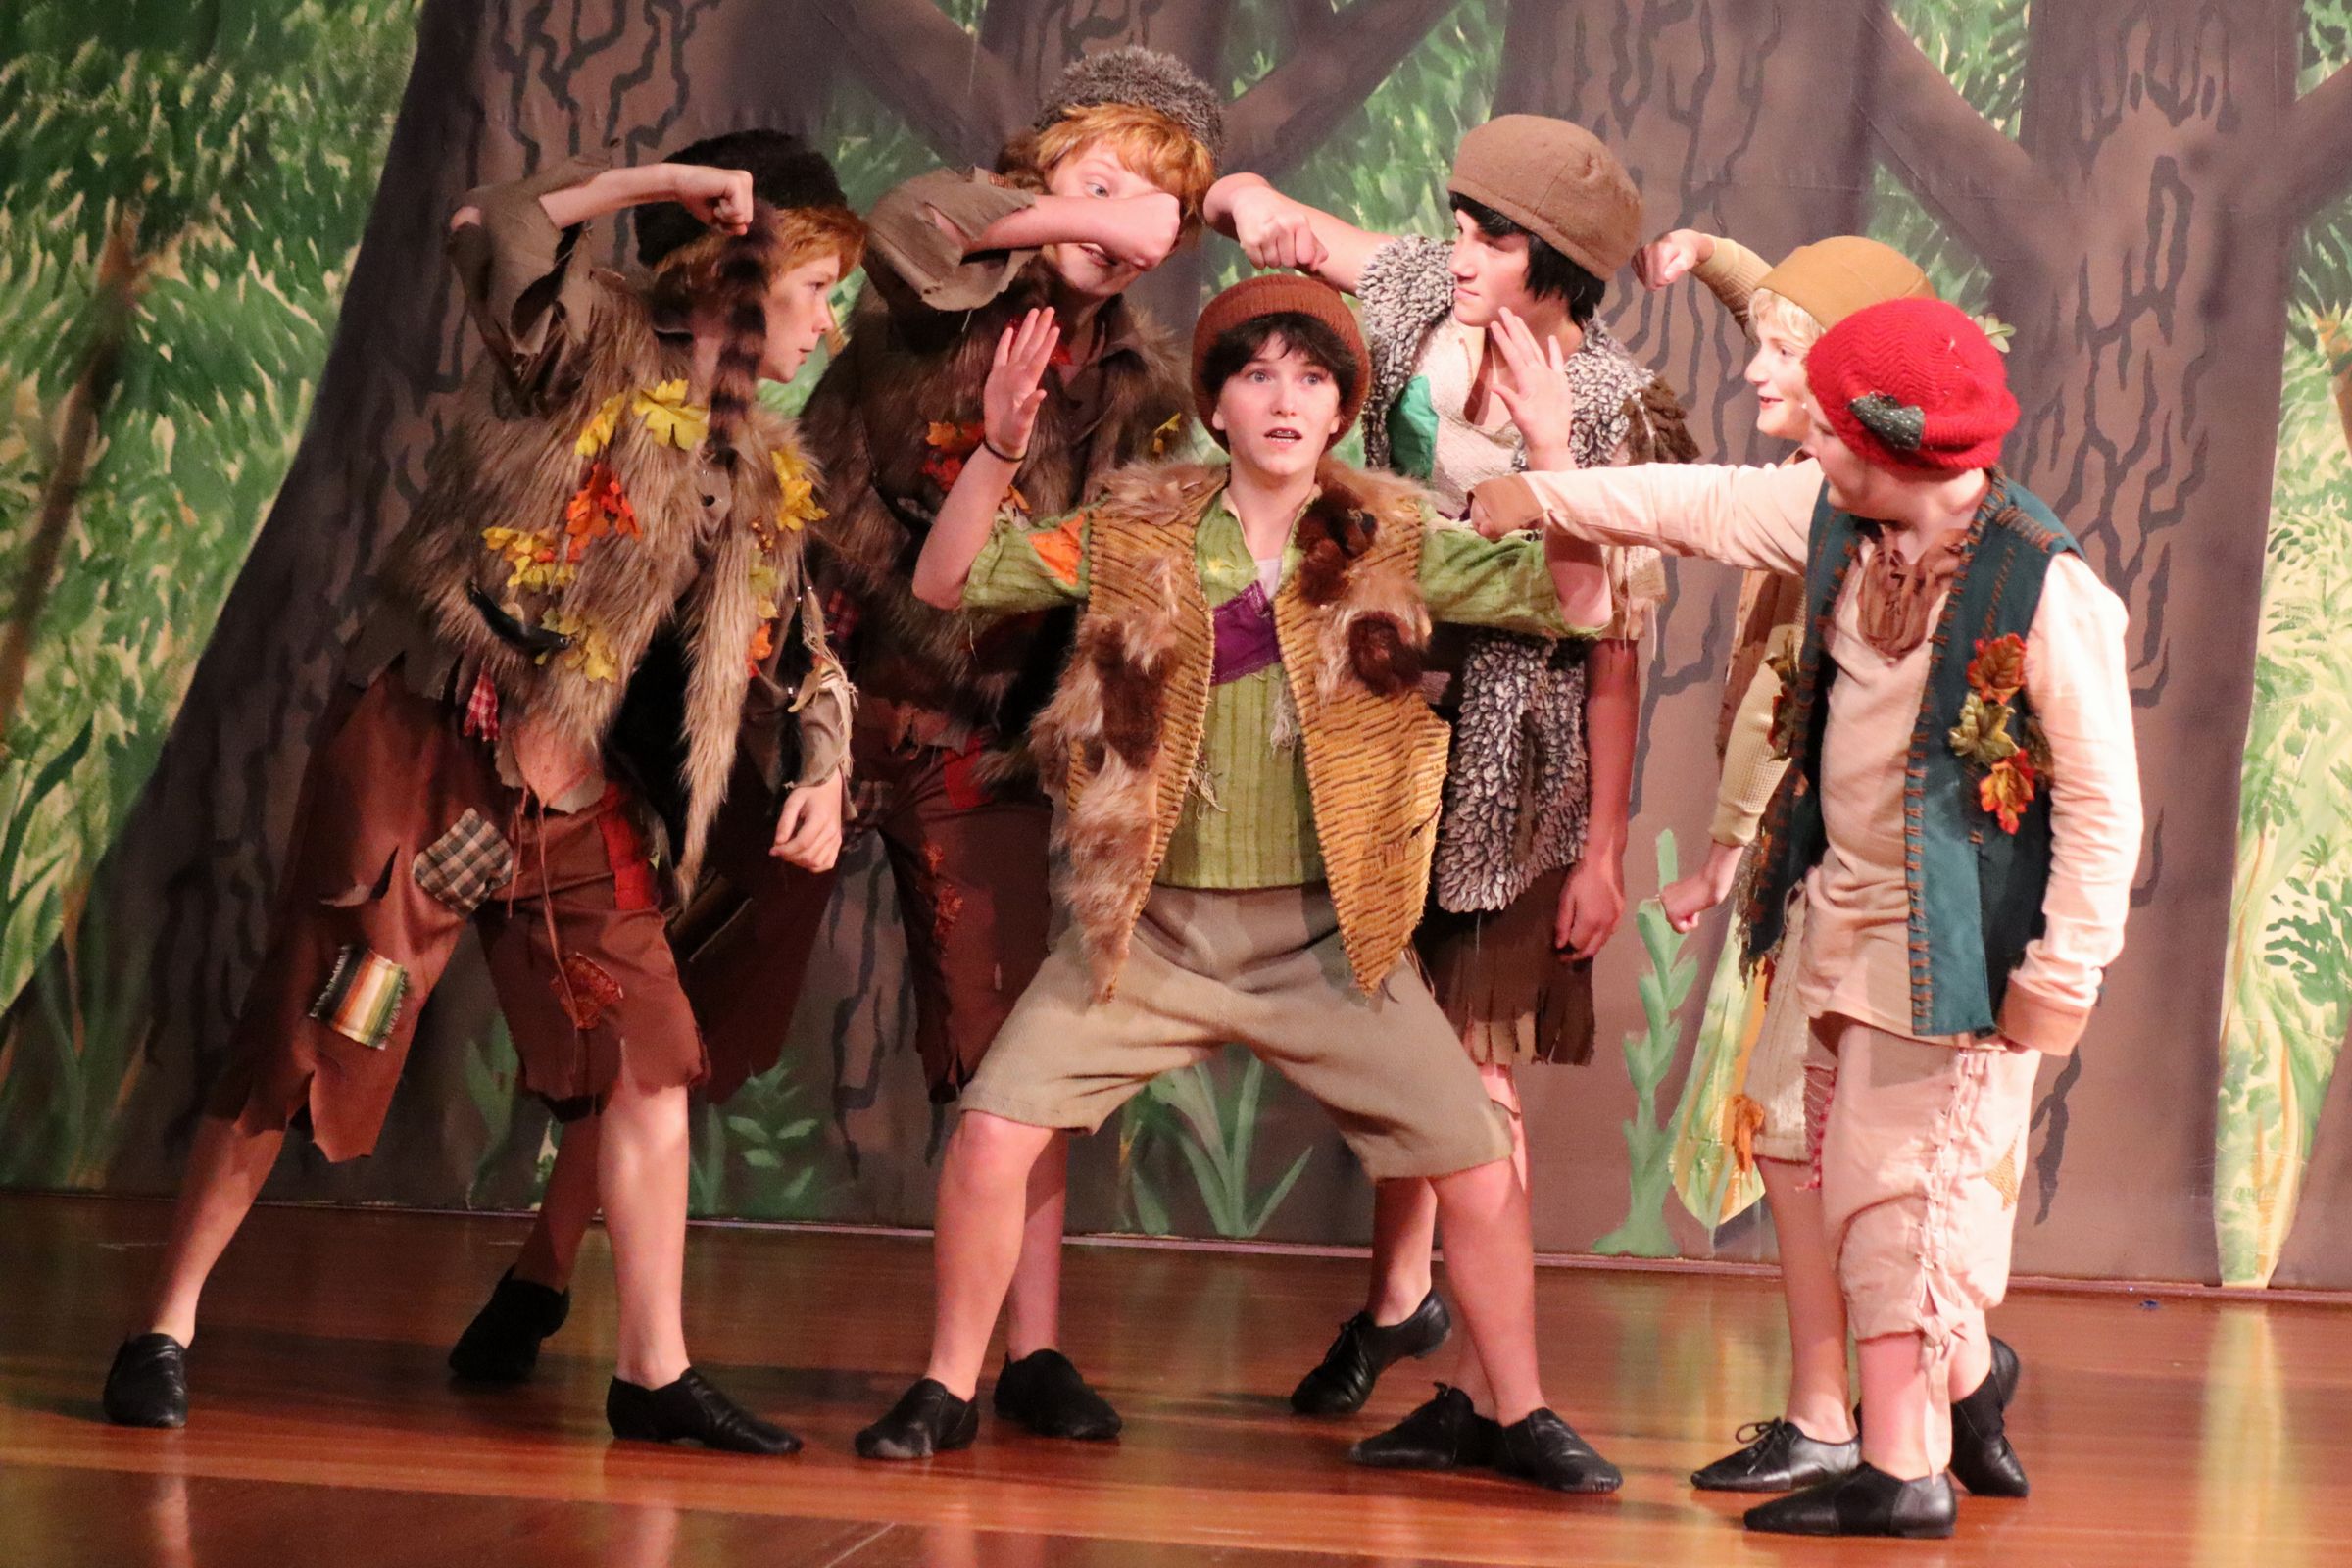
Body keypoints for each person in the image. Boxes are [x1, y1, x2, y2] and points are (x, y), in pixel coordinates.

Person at [451, 51, 1218, 1445]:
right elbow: (923, 224)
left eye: (1150, 210)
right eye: (1098, 189)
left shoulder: (1140, 384)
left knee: (1009, 1042)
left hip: (972, 730)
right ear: (1037, 181)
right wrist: (1078, 215)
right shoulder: (939, 284)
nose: (1119, 229)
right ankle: (544, 1268)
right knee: (683, 1007)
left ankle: (1031, 1349)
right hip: (808, 695)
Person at [100, 132, 860, 1456]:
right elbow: (490, 223)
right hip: (436, 763)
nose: (829, 323)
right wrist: (653, 189)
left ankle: (653, 1372)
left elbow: (799, 652)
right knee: (323, 1021)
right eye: (815, 290)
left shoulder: (755, 467)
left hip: (568, 799)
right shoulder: (577, 349)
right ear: (735, 279)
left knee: (648, 1053)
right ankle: (164, 1325)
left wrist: (827, 761)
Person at [854, 275, 1623, 1494]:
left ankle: (1515, 1409)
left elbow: (1578, 601)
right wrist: (1000, 448)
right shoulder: (1135, 532)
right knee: (995, 1131)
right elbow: (949, 580)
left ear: (1340, 410)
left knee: (1477, 1159)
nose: (1284, 398)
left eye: (1311, 377)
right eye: (1258, 374)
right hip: (1149, 932)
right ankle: (948, 1385)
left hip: (1326, 941)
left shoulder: (1390, 536)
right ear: (1216, 406)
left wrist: (1551, 450)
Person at [1475, 296, 2141, 1536]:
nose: (1810, 447)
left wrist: (2063, 975)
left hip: (1955, 944)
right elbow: (1699, 504)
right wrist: (1542, 493)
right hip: (1841, 914)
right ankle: (1948, 1401)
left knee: (1903, 1194)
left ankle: (1904, 1470)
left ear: (1892, 445)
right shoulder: (1839, 517)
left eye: (1833, 430)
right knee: (1839, 1178)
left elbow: (2106, 804)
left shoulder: (2044, 589)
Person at [1206, 116, 1693, 1460]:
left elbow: (1613, 647)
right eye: (1461, 225)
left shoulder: (1614, 405)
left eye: (1493, 237)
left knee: (1479, 1068)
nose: (1462, 252)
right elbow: (1286, 218)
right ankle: (1402, 1303)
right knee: (1413, 1042)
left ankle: (1491, 1388)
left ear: (1556, 260)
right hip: (1380, 732)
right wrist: (1244, 198)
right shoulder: (1428, 296)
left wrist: (1603, 845)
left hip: (1511, 769)